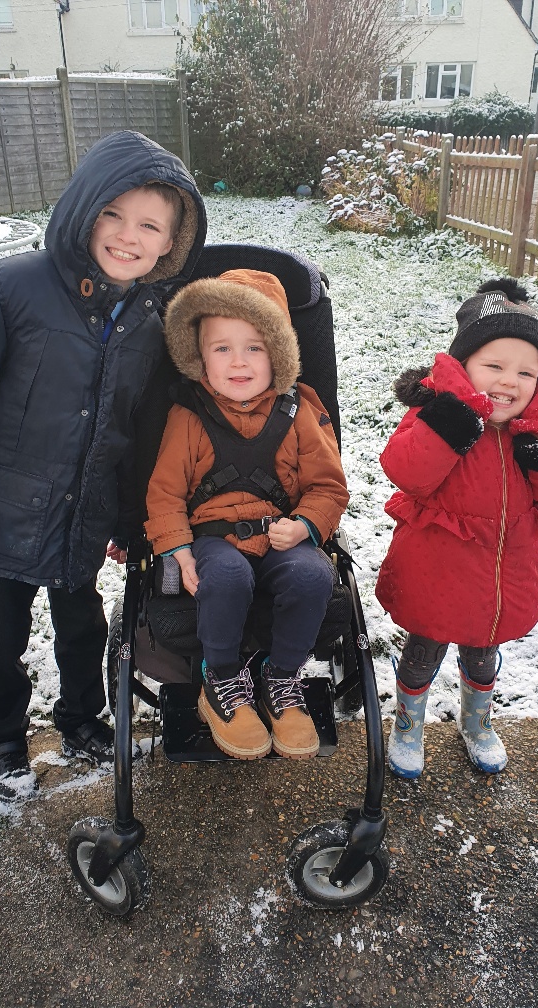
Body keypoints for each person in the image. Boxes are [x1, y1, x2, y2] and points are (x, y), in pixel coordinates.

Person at [0, 131, 206, 801]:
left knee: (84, 630)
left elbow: (141, 431)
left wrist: (130, 520)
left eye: (149, 226)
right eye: (113, 214)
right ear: (83, 210)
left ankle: (81, 721)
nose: (127, 236)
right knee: (1, 642)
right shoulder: (15, 288)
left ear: (170, 244)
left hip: (85, 515)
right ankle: (7, 748)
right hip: (0, 514)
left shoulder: (152, 320)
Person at [375, 277, 538, 780]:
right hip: (437, 574)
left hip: (499, 577)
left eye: (525, 372)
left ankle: (477, 722)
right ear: (464, 366)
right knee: (422, 652)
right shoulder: (436, 414)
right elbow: (407, 469)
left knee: (482, 656)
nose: (508, 382)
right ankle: (408, 724)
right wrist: (448, 426)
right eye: (493, 366)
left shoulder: (533, 430)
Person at [145, 269, 349, 760]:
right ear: (199, 357)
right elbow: (166, 493)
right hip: (211, 540)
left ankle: (281, 681)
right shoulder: (187, 415)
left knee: (312, 575)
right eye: (222, 349)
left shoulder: (300, 411)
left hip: (282, 533)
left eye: (255, 347)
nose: (239, 361)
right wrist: (175, 547)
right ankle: (221, 684)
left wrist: (305, 525)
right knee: (230, 576)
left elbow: (327, 485)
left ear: (278, 354)